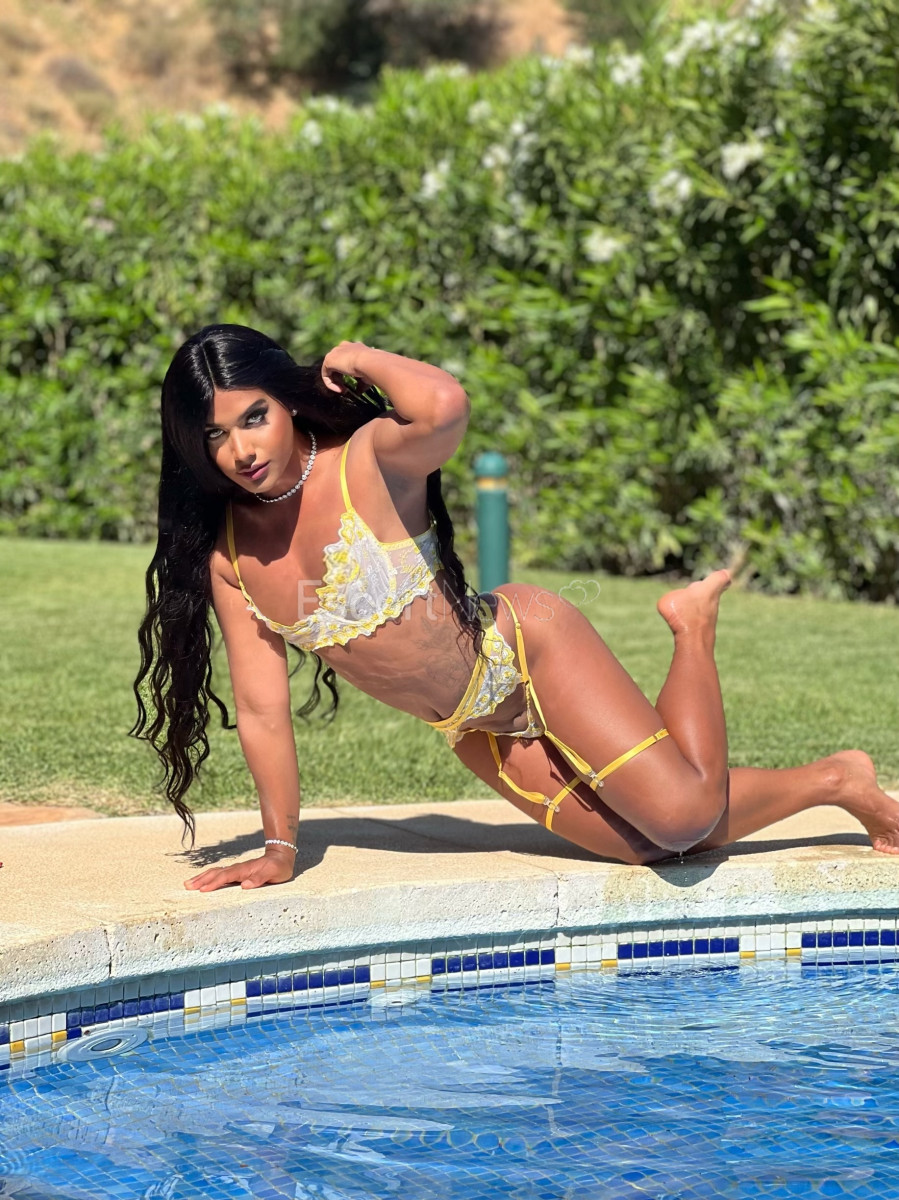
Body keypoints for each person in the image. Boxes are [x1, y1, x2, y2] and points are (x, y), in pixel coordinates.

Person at [132, 324, 899, 892]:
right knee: (651, 847)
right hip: (473, 725)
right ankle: (834, 780)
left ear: (289, 405)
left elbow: (443, 406)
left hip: (527, 650)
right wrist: (279, 848)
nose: (241, 450)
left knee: (679, 816)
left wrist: (358, 357)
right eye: (216, 435)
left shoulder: (366, 461)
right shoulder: (230, 558)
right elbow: (262, 712)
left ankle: (691, 628)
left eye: (254, 416)